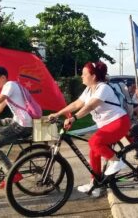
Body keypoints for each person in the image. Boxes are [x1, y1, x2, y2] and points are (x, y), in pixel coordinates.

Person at [48, 61, 130, 197]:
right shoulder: (89, 89)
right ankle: (96, 184)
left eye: (84, 74)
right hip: (107, 125)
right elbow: (76, 104)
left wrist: (74, 118)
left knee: (94, 142)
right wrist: (57, 114)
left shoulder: (103, 88)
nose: (81, 76)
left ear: (93, 76)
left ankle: (117, 161)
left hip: (119, 122)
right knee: (94, 151)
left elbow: (90, 106)